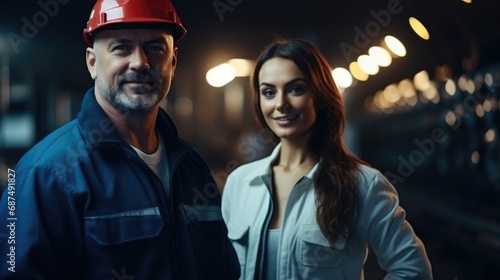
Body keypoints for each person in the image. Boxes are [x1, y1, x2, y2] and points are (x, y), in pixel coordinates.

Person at [0, 0, 240, 279]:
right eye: (121, 47)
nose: (140, 62)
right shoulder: (43, 173)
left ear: (172, 62)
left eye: (155, 48)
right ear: (92, 62)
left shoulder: (192, 167)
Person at [221, 38, 433, 279]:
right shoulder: (239, 183)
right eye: (268, 92)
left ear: (320, 97)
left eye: (295, 89)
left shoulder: (362, 184)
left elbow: (413, 270)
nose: (281, 104)